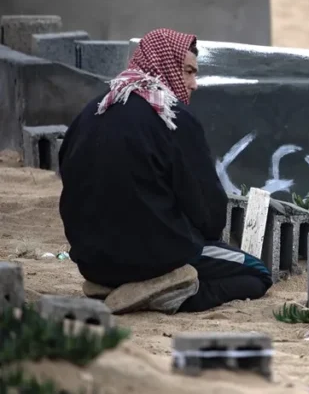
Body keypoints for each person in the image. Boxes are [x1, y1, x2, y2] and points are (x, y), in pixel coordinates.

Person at [58, 28, 273, 315]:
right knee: (257, 273)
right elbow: (210, 216)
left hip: (92, 263)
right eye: (188, 71)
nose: (194, 84)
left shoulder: (90, 112)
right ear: (165, 65)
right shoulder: (172, 119)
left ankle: (115, 287)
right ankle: (164, 293)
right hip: (156, 259)